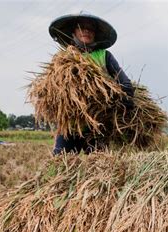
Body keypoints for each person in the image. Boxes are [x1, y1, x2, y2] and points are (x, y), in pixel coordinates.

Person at [49, 11, 135, 155]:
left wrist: (123, 106)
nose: (86, 31)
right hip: (69, 125)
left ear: (95, 34)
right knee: (60, 164)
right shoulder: (62, 58)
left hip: (98, 124)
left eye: (90, 29)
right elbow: (51, 89)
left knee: (100, 167)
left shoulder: (104, 55)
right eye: (82, 27)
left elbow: (124, 83)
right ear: (74, 32)